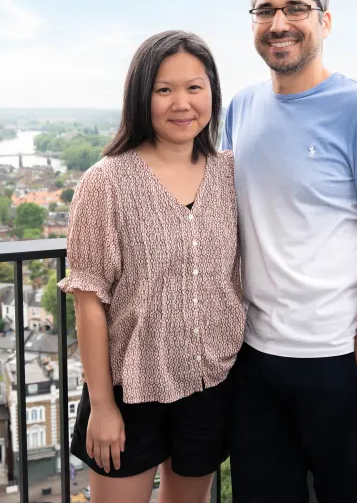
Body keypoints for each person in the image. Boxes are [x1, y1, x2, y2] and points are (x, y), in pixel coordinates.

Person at [222, 0, 357, 503]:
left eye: (295, 8)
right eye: (265, 11)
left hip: (337, 360)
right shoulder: (240, 107)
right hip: (256, 358)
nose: (278, 23)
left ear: (324, 21)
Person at [59, 30, 246, 503]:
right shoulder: (106, 182)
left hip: (211, 381)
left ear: (212, 92)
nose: (182, 103)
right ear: (141, 97)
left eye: (194, 87)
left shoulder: (230, 174)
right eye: (164, 89)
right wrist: (103, 405)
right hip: (130, 388)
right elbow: (88, 301)